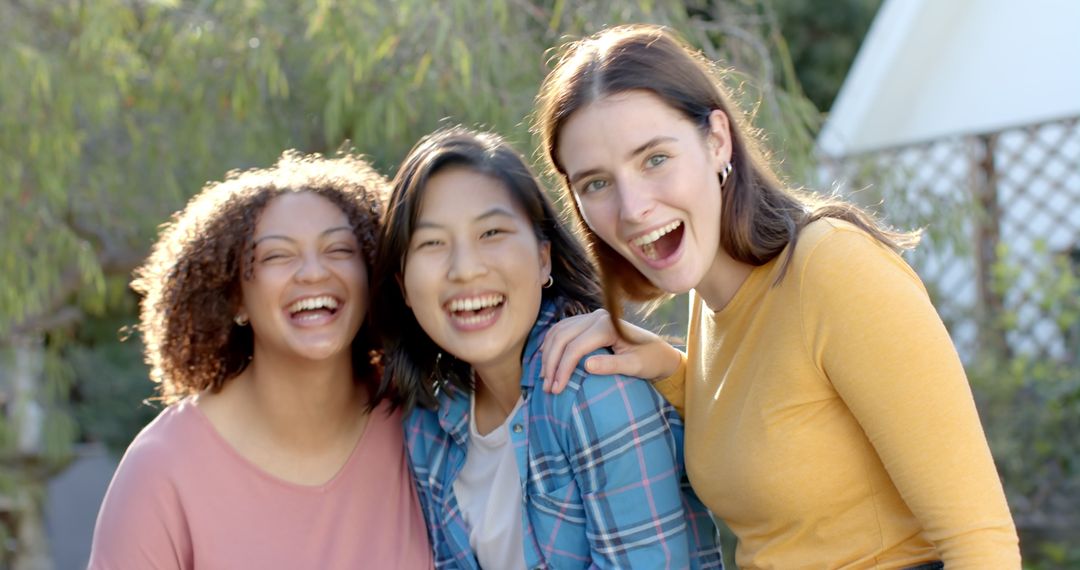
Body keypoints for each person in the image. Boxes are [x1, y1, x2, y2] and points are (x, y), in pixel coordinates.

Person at [533, 24, 1020, 569]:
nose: (631, 206)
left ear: (717, 140)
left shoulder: (833, 269)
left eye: (654, 159)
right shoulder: (714, 299)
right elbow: (785, 431)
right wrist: (665, 367)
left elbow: (982, 543)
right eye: (596, 183)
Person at [371, 127, 723, 569]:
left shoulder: (595, 389)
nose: (464, 269)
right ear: (403, 285)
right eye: (432, 243)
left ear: (543, 257)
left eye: (492, 232)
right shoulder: (427, 425)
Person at [89, 151, 433, 569]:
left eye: (339, 249)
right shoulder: (162, 470)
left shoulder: (422, 416)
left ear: (372, 276)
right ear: (235, 298)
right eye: (276, 256)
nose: (312, 272)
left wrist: (540, 338)